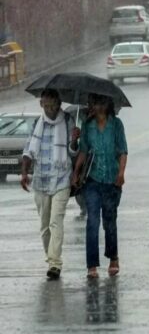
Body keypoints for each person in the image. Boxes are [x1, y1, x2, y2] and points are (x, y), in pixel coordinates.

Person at [21, 89, 80, 280]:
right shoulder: (37, 123)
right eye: (46, 105)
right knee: (45, 226)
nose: (50, 109)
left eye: (53, 105)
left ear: (59, 103)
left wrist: (74, 141)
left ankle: (55, 263)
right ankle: (50, 257)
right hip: (40, 180)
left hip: (61, 178)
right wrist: (24, 173)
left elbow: (73, 153)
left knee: (56, 222)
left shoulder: (68, 121)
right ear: (41, 105)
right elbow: (29, 150)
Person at [72, 94, 128, 279]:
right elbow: (83, 151)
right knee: (92, 221)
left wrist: (121, 173)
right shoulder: (87, 126)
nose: (98, 106)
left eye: (102, 102)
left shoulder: (116, 125)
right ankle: (92, 265)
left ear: (108, 104)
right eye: (95, 102)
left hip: (112, 181)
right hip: (92, 181)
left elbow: (123, 151)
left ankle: (113, 257)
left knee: (109, 221)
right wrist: (76, 171)